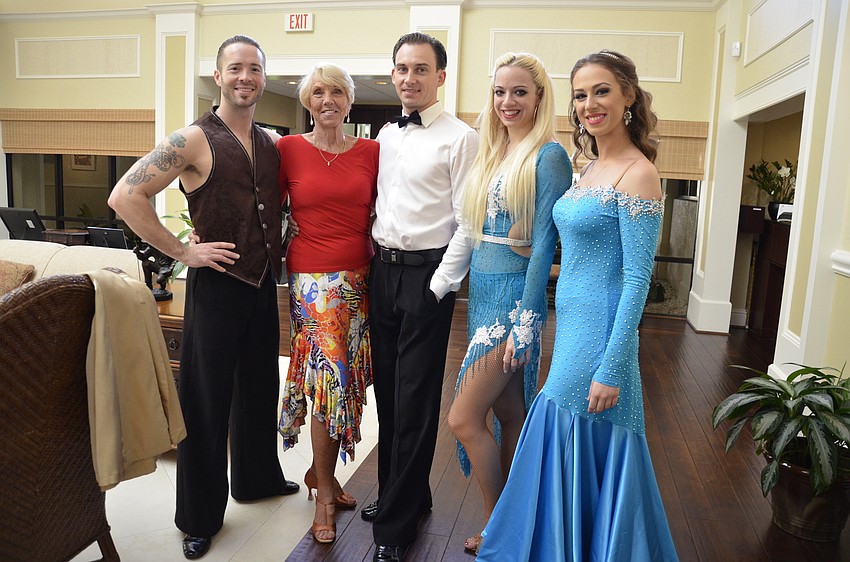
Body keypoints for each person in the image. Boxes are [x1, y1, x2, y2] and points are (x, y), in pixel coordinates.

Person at [476, 50, 679, 561]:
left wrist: (613, 365)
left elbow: (637, 279)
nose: (591, 104)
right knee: (562, 422)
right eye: (582, 94)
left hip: (600, 333)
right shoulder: (588, 166)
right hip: (569, 324)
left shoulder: (638, 173)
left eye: (603, 91)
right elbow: (577, 250)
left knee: (567, 421)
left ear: (629, 96)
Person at [108, 35, 299, 560]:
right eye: (235, 68)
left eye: (255, 69)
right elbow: (125, 195)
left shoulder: (269, 141)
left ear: (264, 77)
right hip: (215, 289)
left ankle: (257, 480)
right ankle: (197, 515)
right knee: (206, 403)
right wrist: (181, 252)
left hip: (262, 287)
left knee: (259, 389)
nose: (246, 77)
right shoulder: (192, 139)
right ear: (218, 76)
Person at [446, 52, 571, 554]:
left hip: (511, 306)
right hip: (483, 293)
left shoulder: (549, 156)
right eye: (500, 91)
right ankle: (521, 521)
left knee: (463, 418)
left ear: (539, 96)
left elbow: (543, 244)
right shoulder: (494, 153)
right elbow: (477, 233)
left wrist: (527, 318)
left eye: (519, 91)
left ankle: (499, 523)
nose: (507, 101)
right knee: (510, 409)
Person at [363, 32, 479, 562]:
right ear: (393, 74)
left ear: (440, 76)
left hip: (427, 277)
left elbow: (469, 222)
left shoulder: (461, 137)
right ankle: (401, 494)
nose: (409, 78)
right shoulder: (386, 134)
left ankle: (395, 525)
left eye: (420, 69)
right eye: (401, 68)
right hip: (380, 272)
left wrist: (437, 287)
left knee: (415, 397)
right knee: (388, 392)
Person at [275, 63, 379, 544]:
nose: (327, 99)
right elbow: (260, 205)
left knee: (344, 382)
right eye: (318, 92)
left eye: (337, 90)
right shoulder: (288, 149)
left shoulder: (373, 152)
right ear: (307, 102)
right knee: (327, 383)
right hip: (312, 286)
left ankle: (323, 475)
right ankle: (323, 494)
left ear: (349, 100)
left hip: (359, 281)